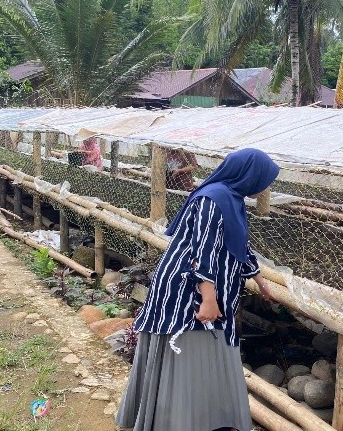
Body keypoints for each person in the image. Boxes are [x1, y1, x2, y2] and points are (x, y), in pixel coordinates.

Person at [115, 148, 279, 431]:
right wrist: (208, 299)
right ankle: (176, 422)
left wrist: (261, 281)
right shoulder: (213, 200)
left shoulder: (231, 199)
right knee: (190, 352)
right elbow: (201, 254)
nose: (266, 186)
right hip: (187, 290)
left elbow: (238, 247)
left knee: (204, 353)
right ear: (249, 175)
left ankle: (202, 419)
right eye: (265, 178)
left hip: (208, 289)